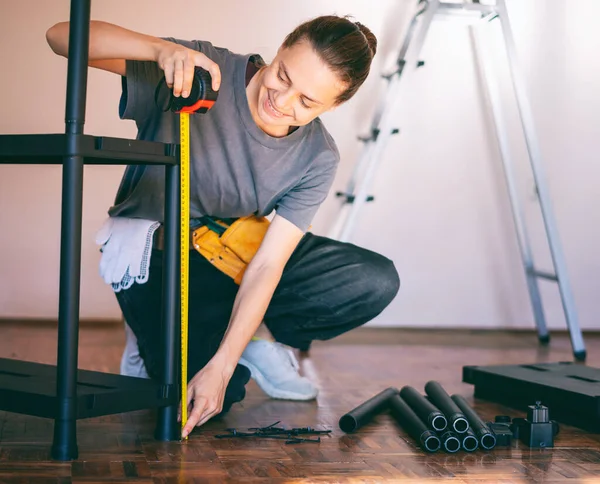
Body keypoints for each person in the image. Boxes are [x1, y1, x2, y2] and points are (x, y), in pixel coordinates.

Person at [46, 14, 400, 438]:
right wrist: (160, 50)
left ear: (335, 106)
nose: (283, 102)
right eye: (282, 76)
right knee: (204, 394)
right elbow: (61, 37)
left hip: (235, 253)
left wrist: (223, 360)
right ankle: (164, 336)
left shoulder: (317, 157)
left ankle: (249, 336)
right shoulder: (199, 70)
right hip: (160, 251)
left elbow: (270, 264)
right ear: (281, 47)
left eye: (308, 102)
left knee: (373, 280)